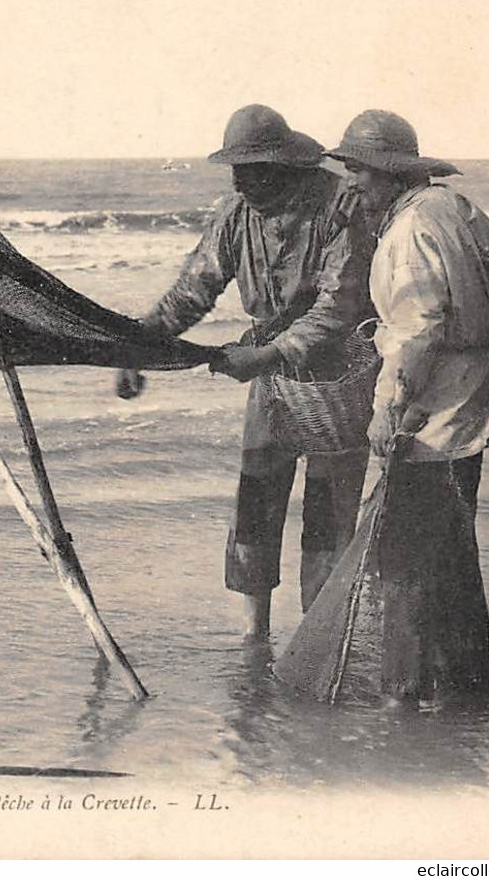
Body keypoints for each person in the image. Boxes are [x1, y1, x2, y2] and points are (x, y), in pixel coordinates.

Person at [116, 104, 373, 638]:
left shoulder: (338, 209)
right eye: (237, 169)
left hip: (339, 379)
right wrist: (140, 346)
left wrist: (269, 353)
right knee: (256, 500)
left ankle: (316, 637)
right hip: (271, 385)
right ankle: (253, 635)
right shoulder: (236, 215)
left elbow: (339, 306)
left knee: (329, 513)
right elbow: (193, 291)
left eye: (254, 169)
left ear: (286, 165)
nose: (243, 180)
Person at [327, 109, 489, 703]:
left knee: (403, 562)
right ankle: (465, 691)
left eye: (358, 171)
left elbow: (415, 328)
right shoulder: (453, 208)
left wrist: (385, 410)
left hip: (429, 412)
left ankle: (401, 696)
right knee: (453, 557)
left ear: (390, 172)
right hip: (469, 403)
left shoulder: (408, 233)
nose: (350, 182)